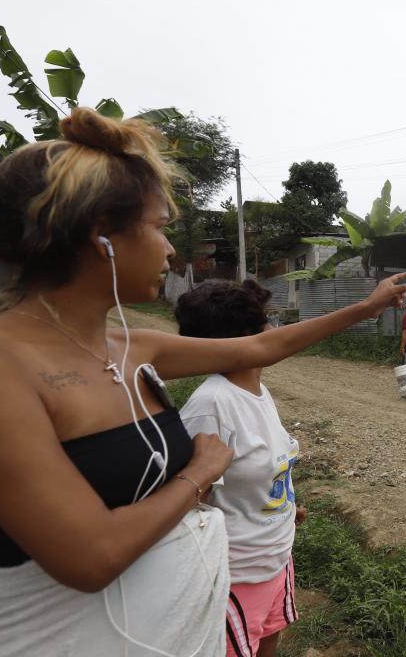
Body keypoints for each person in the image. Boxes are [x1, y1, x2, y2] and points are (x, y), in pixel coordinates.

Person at [0, 107, 406, 656]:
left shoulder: (133, 348)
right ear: (103, 236)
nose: (170, 249)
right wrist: (201, 472)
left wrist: (367, 307)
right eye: (160, 227)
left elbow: (263, 346)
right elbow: (89, 558)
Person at [175, 279, 306, 657]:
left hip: (276, 560)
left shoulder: (256, 392)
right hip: (235, 577)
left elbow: (254, 472)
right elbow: (185, 500)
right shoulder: (211, 405)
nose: (275, 330)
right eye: (268, 321)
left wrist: (280, 505)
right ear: (247, 337)